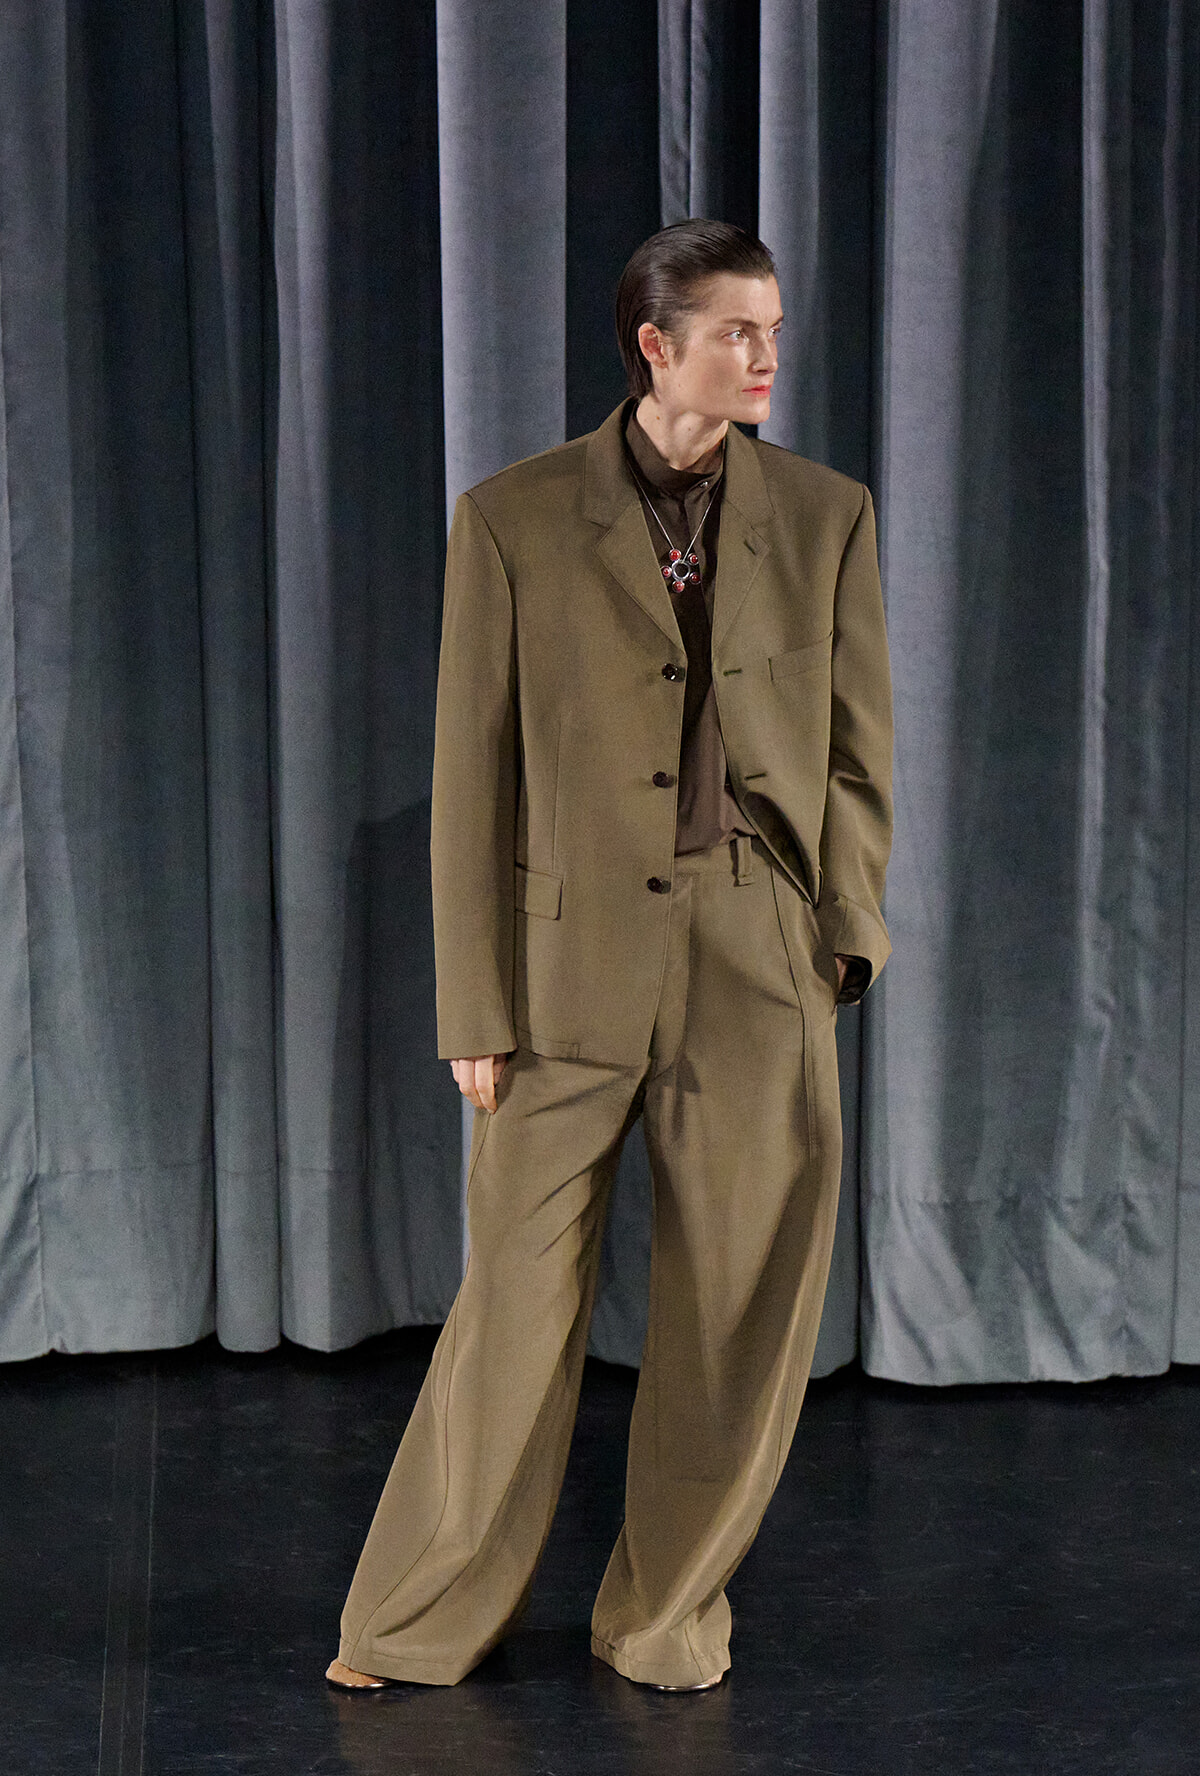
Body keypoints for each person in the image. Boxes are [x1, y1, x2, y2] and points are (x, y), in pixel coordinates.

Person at [326, 218, 893, 1694]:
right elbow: (475, 773)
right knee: (514, 1302)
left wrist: (840, 938)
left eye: (772, 328)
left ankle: (663, 1617)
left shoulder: (826, 515)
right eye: (735, 331)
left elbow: (856, 755)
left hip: (755, 953)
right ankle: (414, 1621)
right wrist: (474, 996)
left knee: (738, 1312)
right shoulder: (513, 517)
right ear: (656, 344)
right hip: (567, 966)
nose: (766, 355)